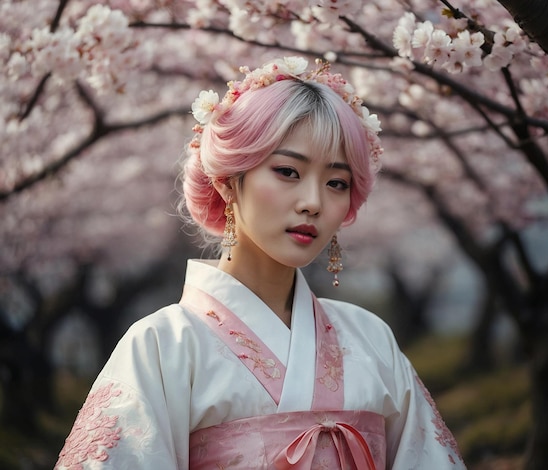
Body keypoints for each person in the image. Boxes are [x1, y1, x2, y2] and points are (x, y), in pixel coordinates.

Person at [55, 56, 465, 469]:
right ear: (230, 180)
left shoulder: (372, 339)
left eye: (336, 182)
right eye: (288, 171)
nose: (313, 203)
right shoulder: (164, 346)